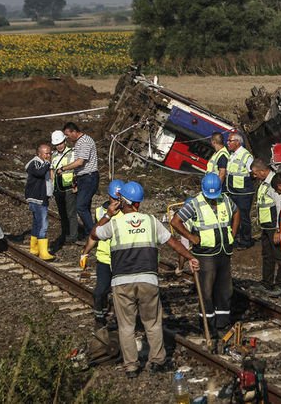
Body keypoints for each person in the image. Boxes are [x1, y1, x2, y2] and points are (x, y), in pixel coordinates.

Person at [81, 181, 199, 378]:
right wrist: (191, 258)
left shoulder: (115, 223)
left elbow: (94, 233)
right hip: (148, 280)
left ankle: (131, 367)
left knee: (126, 326)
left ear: (122, 202)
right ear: (138, 203)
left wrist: (109, 213)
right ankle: (158, 361)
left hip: (121, 282)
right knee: (152, 323)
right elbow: (173, 243)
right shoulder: (152, 221)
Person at [172, 173, 240, 336]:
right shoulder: (195, 203)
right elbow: (175, 221)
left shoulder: (225, 199)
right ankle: (208, 324)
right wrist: (191, 237)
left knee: (224, 288)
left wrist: (233, 233)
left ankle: (223, 322)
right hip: (205, 253)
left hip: (223, 251)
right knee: (206, 289)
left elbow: (236, 212)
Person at [81, 179, 124, 328]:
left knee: (120, 294)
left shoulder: (127, 213)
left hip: (121, 260)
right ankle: (100, 319)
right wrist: (85, 252)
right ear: (109, 196)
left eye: (119, 199)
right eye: (114, 198)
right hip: (104, 258)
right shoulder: (100, 211)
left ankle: (118, 320)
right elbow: (95, 234)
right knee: (100, 291)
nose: (116, 202)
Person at [250, 158, 281, 296]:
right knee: (267, 254)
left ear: (262, 171)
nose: (254, 176)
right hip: (266, 225)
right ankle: (267, 282)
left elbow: (279, 205)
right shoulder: (263, 183)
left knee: (279, 255)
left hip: (273, 225)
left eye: (255, 173)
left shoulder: (273, 184)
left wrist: (279, 229)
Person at [57, 122, 99, 236]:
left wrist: (64, 168)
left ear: (74, 132)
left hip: (88, 177)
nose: (67, 137)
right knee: (85, 207)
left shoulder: (84, 141)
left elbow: (80, 162)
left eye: (67, 134)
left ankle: (93, 234)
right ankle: (88, 233)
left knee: (80, 206)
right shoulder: (78, 142)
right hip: (83, 178)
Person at [25, 143, 55, 261]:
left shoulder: (43, 163)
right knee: (43, 223)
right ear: (39, 154)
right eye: (46, 153)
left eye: (49, 153)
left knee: (37, 223)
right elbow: (39, 173)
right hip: (37, 197)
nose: (48, 155)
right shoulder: (36, 163)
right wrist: (48, 163)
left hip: (41, 197)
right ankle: (43, 252)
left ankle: (34, 248)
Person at [225, 132, 254, 250]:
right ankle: (235, 239)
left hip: (243, 193)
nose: (228, 143)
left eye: (230, 141)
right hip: (233, 191)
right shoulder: (232, 155)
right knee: (233, 216)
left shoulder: (246, 156)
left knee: (243, 217)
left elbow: (252, 173)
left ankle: (246, 241)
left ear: (237, 142)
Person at [50, 130, 78, 246]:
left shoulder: (72, 153)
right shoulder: (54, 155)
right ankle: (65, 233)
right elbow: (51, 170)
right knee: (62, 213)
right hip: (58, 188)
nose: (59, 146)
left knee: (71, 212)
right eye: (57, 144)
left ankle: (73, 236)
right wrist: (52, 186)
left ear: (64, 141)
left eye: (61, 143)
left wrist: (75, 184)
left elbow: (76, 169)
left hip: (69, 187)